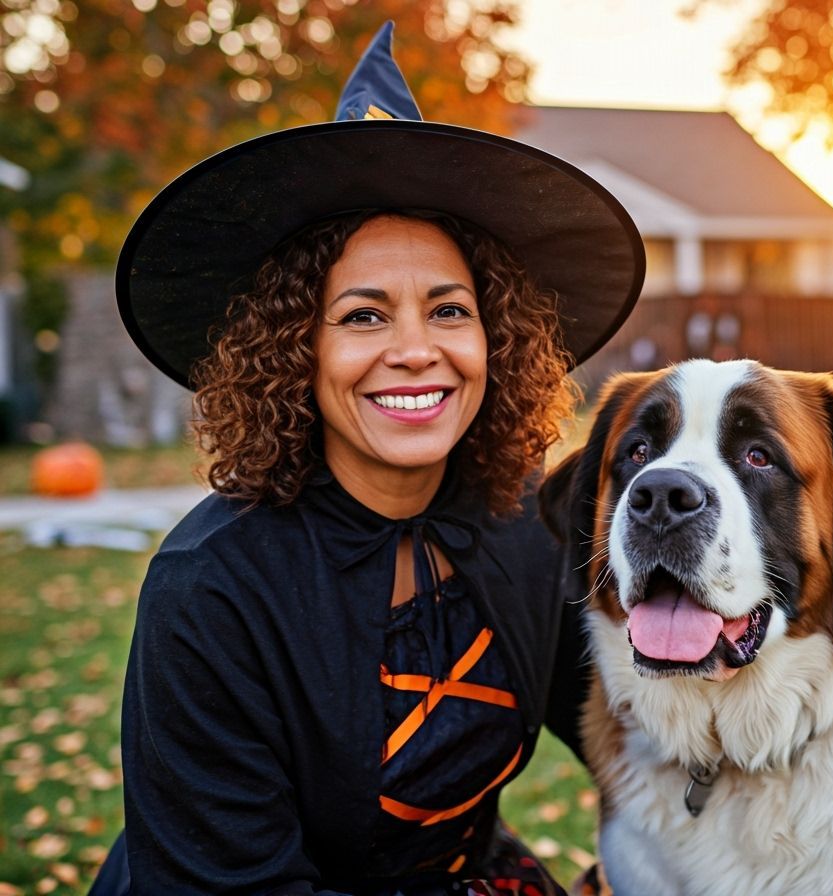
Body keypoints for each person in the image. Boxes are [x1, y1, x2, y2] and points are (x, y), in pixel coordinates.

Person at [89, 22, 644, 896]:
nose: (418, 350)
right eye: (363, 315)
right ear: (292, 351)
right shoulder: (211, 589)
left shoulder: (526, 521)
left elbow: (643, 731)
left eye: (450, 310)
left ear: (497, 338)